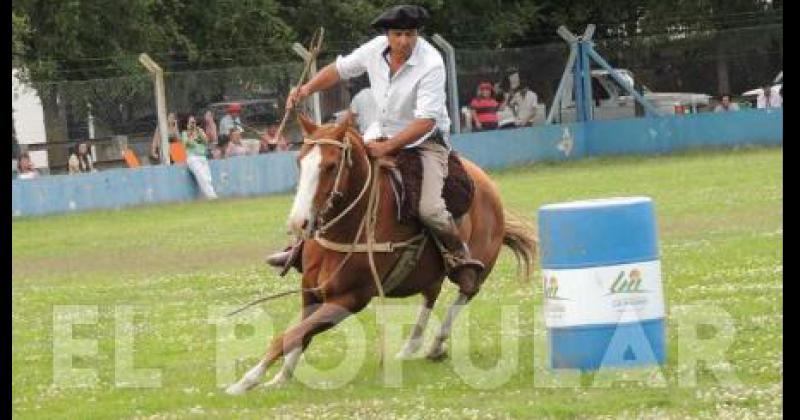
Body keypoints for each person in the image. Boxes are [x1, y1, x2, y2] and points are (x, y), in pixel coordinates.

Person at [266, 4, 484, 289]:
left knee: (430, 209)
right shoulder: (374, 49)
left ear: (417, 34)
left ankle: (458, 257)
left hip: (425, 142)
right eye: (398, 34)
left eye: (410, 34)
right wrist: (306, 89)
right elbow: (339, 70)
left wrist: (388, 147)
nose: (404, 41)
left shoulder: (431, 62)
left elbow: (426, 121)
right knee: (334, 177)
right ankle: (300, 246)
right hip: (379, 133)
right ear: (387, 35)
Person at [179, 114, 218, 200]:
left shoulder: (199, 131)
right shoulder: (185, 133)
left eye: (194, 122)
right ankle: (213, 198)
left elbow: (206, 141)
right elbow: (186, 144)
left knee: (208, 178)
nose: (193, 124)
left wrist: (199, 132)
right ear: (187, 124)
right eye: (191, 122)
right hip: (193, 158)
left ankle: (210, 196)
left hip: (202, 157)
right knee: (202, 177)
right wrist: (191, 134)